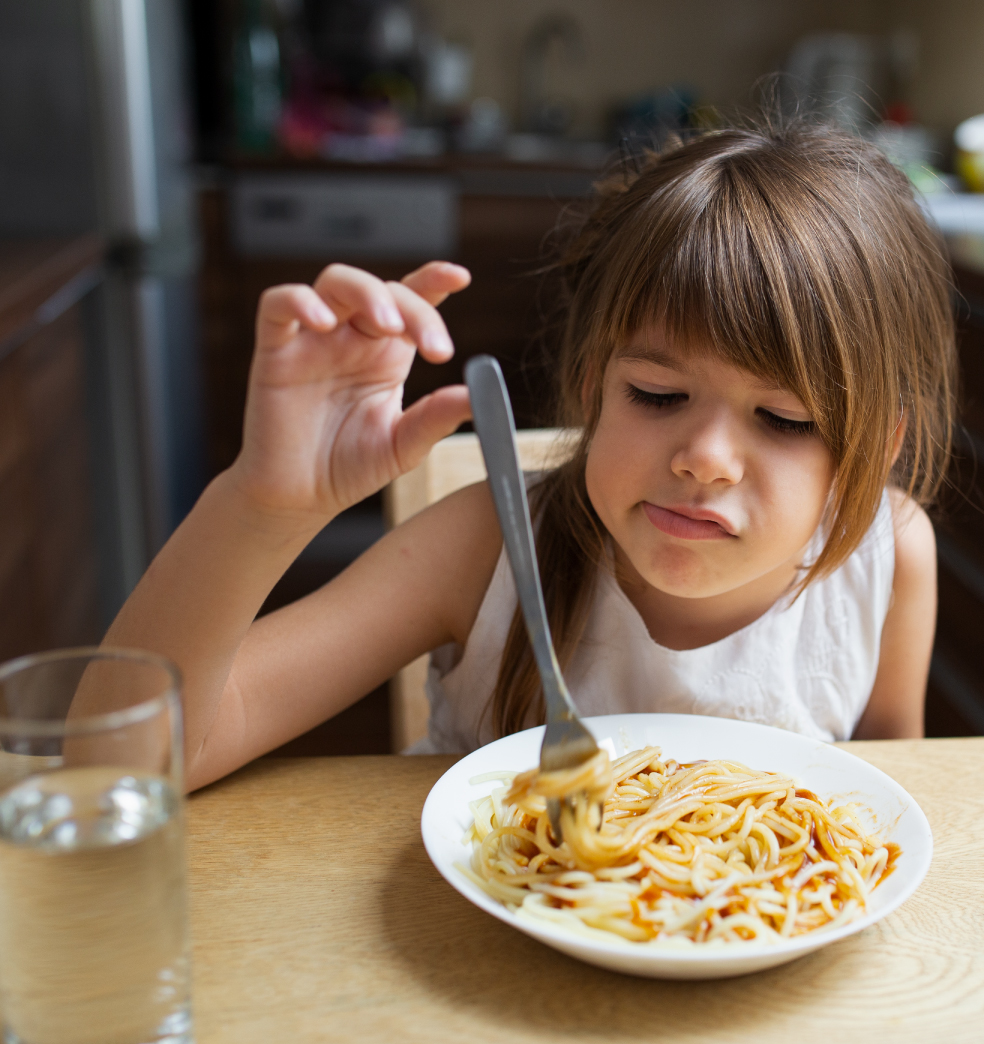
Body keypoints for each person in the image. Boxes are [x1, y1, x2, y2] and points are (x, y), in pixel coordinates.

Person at [104, 120, 956, 790]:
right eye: (657, 397)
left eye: (783, 419)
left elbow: (887, 793)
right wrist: (262, 505)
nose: (706, 459)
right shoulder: (484, 551)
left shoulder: (887, 556)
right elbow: (126, 763)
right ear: (590, 384)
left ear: (873, 452)